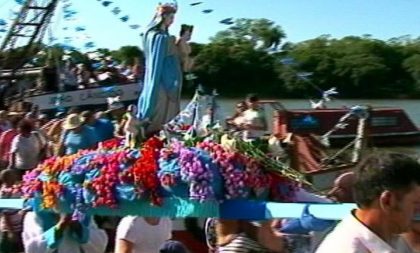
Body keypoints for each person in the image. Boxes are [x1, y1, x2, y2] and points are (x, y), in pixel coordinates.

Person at [315, 152, 420, 253]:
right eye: (416, 204)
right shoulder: (348, 249)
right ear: (387, 201)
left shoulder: (389, 234)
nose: (417, 213)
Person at [137, 2, 183, 136]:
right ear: (162, 16)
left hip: (165, 78)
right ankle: (154, 135)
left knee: (166, 111)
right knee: (161, 108)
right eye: (170, 17)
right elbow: (161, 60)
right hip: (163, 80)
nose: (172, 20)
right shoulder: (159, 37)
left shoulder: (159, 35)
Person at [22, 212, 108, 253]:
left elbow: (99, 247)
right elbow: (33, 249)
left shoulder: (83, 215)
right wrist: (60, 227)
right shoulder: (34, 216)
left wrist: (78, 228)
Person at [0, 169, 23, 253]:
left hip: (19, 227)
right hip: (9, 229)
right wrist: (11, 232)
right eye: (12, 176)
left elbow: (18, 206)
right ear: (7, 179)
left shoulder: (15, 188)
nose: (16, 177)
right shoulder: (4, 193)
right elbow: (5, 214)